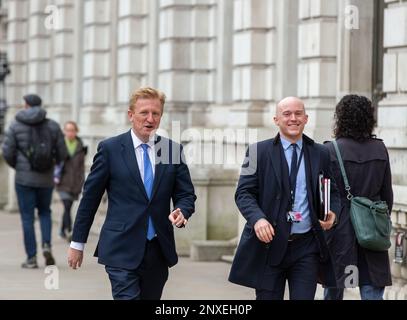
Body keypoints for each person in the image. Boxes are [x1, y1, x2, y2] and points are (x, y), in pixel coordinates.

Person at [67, 87, 197, 300]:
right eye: (144, 112)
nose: (150, 118)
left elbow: (186, 194)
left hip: (157, 249)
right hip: (120, 247)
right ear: (130, 115)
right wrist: (77, 243)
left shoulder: (172, 150)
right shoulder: (110, 149)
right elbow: (90, 198)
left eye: (155, 113)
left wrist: (182, 210)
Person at [228, 97, 340, 300]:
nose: (293, 119)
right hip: (269, 246)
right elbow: (244, 193)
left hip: (307, 247)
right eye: (287, 114)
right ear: (276, 119)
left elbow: (333, 191)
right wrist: (257, 219)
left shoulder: (321, 153)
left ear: (306, 119)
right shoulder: (257, 152)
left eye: (298, 114)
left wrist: (333, 212)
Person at [323, 95, 393, 300]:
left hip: (339, 232)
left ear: (340, 118)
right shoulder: (380, 148)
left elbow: (324, 198)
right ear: (369, 118)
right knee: (372, 290)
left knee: (335, 290)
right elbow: (387, 195)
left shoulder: (330, 150)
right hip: (371, 229)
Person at [2, 94, 67, 268]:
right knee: (45, 212)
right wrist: (52, 165)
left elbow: (7, 152)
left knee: (27, 218)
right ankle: (47, 245)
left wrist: (19, 166)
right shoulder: (52, 125)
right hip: (46, 179)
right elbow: (62, 153)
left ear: (26, 105)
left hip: (24, 179)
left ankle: (31, 258)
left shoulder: (15, 125)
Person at [54, 121, 87, 242]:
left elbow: (81, 168)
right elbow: (55, 163)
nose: (70, 133)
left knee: (67, 207)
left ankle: (62, 230)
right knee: (67, 206)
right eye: (67, 130)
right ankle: (69, 230)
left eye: (72, 130)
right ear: (64, 131)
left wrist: (81, 183)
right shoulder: (60, 145)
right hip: (62, 182)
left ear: (76, 131)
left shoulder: (81, 146)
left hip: (75, 184)